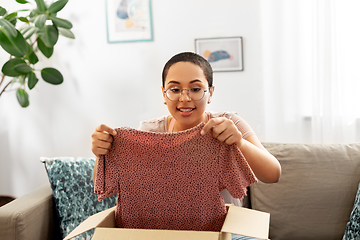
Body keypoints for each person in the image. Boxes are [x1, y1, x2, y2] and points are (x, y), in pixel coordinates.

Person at [91, 52, 281, 206]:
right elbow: (107, 183)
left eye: (195, 89)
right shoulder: (150, 131)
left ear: (210, 93)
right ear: (164, 94)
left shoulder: (230, 123)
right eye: (175, 89)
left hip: (227, 230)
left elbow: (273, 174)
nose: (185, 98)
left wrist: (239, 143)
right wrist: (102, 154)